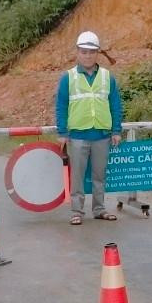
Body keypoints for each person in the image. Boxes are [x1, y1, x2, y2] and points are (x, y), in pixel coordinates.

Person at [56, 30, 122, 224]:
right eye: (84, 52)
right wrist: (62, 132)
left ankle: (99, 209)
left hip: (101, 135)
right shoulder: (68, 78)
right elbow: (61, 106)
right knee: (77, 177)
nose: (87, 55)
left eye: (91, 52)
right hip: (77, 136)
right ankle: (77, 212)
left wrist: (116, 130)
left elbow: (116, 105)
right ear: (78, 52)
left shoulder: (107, 77)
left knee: (99, 176)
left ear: (97, 53)